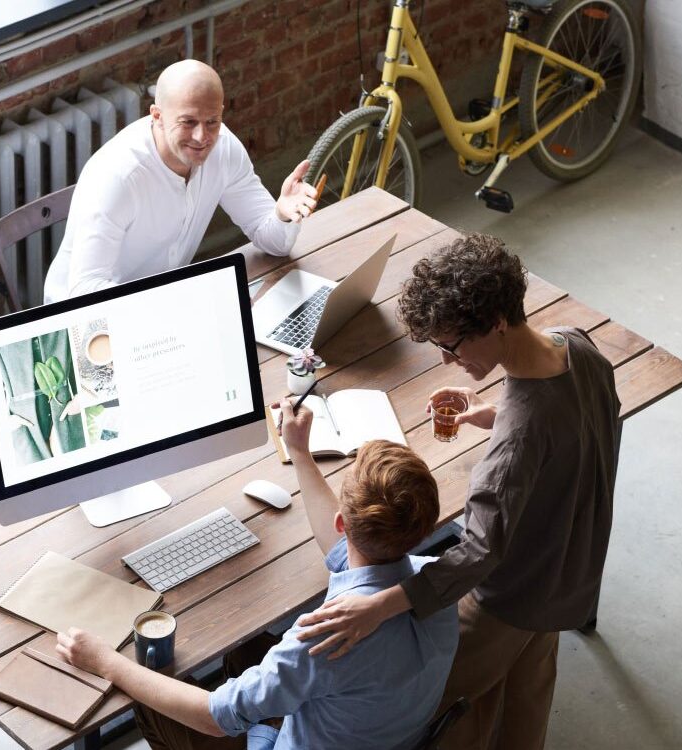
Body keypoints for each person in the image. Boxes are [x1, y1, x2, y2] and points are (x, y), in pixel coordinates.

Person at [290, 234, 625, 749]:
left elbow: (479, 551)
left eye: (451, 346)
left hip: (509, 596)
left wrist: (381, 607)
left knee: (436, 702)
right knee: (527, 700)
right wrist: (500, 414)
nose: (447, 361)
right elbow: (578, 417)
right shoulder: (573, 343)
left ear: (494, 324)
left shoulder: (517, 443)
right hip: (567, 571)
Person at [56, 400, 459, 750]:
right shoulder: (439, 584)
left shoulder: (325, 636)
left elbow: (214, 717)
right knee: (246, 648)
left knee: (149, 693)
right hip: (387, 734)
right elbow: (345, 553)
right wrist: (299, 452)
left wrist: (106, 661)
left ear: (341, 521)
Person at [42, 59, 319, 303]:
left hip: (165, 304)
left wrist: (282, 214)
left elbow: (275, 243)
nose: (202, 137)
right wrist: (173, 309)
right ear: (158, 117)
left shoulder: (224, 150)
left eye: (212, 121)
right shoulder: (119, 177)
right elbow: (85, 292)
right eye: (188, 122)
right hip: (88, 320)